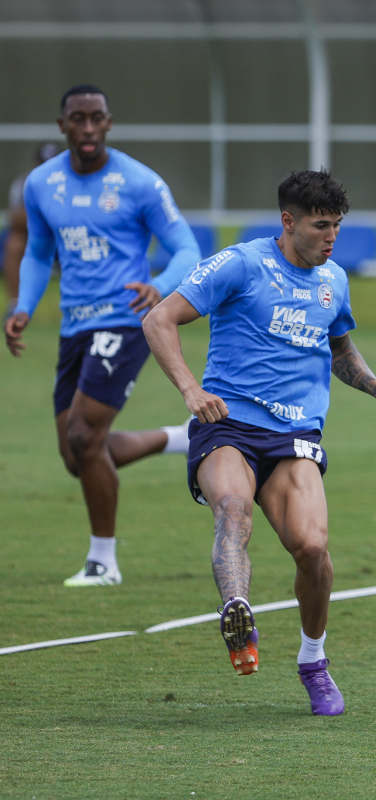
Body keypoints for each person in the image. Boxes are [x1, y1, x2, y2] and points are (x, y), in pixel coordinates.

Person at [142, 169, 376, 716]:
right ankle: (237, 610)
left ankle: (313, 660)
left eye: (336, 226)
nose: (331, 237)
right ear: (287, 222)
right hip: (228, 423)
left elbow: (339, 351)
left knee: (312, 549)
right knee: (233, 509)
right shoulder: (240, 263)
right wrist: (191, 390)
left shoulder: (334, 279)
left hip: (294, 434)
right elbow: (158, 319)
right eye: (319, 226)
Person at [4, 85, 200, 586]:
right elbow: (37, 252)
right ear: (62, 126)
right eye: (78, 119)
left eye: (96, 119)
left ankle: (103, 561)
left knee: (82, 436)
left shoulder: (139, 183)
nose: (88, 129)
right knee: (78, 456)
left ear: (109, 123)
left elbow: (186, 250)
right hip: (75, 325)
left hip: (124, 319)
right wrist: (22, 306)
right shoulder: (41, 184)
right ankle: (179, 438)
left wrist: (157, 287)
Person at [4, 141, 61, 316]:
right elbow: (15, 219)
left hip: (68, 239)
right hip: (37, 240)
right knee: (14, 244)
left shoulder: (75, 181)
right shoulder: (24, 183)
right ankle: (15, 305)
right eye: (43, 164)